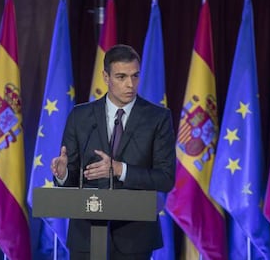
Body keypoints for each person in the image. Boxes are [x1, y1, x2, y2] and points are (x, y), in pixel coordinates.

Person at [50, 44, 176, 260]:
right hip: (86, 236)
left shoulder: (157, 118)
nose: (130, 84)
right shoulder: (80, 117)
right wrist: (62, 175)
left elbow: (165, 179)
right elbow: (71, 178)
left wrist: (120, 169)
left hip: (135, 237)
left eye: (135, 76)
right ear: (105, 77)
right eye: (121, 77)